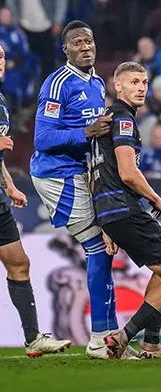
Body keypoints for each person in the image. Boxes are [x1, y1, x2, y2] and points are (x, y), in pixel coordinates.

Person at [29, 21, 138, 359]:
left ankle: (107, 339)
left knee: (104, 249)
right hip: (55, 174)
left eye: (89, 41)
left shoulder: (95, 83)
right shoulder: (57, 83)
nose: (85, 46)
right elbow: (42, 140)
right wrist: (86, 131)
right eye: (77, 42)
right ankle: (99, 340)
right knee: (96, 245)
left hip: (79, 172)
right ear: (66, 50)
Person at [93, 62, 161, 360]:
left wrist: (104, 222)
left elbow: (93, 172)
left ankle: (151, 344)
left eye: (145, 82)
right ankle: (124, 336)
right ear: (117, 86)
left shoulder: (104, 120)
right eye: (134, 82)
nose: (141, 87)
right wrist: (155, 197)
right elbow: (127, 172)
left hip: (110, 209)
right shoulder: (122, 118)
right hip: (125, 207)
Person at [0, 45, 72, 357]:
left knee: (19, 263)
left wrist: (9, 185)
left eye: (1, 56)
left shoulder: (1, 101)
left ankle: (33, 339)